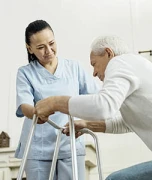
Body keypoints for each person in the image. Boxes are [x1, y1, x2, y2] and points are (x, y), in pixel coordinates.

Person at [34, 35, 152, 179]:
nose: (94, 72)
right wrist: (87, 125)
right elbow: (129, 123)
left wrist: (54, 102)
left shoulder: (120, 62)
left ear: (109, 53)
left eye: (94, 64)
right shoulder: (136, 66)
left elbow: (103, 106)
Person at [15, 19, 99, 180]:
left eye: (51, 43)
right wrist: (36, 113)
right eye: (40, 47)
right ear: (29, 48)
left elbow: (96, 100)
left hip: (70, 143)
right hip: (37, 147)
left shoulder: (74, 68)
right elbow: (24, 105)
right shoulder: (25, 73)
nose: (48, 50)